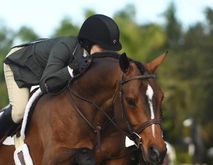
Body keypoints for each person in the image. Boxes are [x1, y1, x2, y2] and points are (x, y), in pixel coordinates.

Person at [0, 14, 122, 143]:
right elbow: (46, 84)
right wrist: (72, 69)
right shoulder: (66, 47)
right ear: (88, 43)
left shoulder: (89, 58)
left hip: (44, 69)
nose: (105, 54)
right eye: (102, 48)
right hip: (20, 64)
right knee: (19, 112)